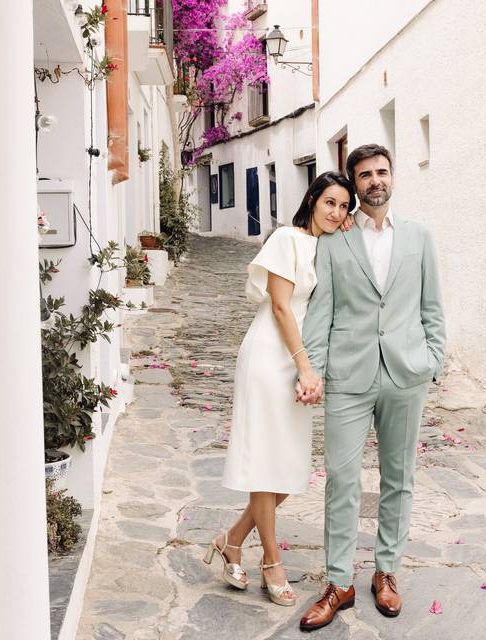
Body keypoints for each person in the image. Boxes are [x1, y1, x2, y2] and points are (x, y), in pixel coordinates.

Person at [297, 144, 446, 631]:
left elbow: (432, 307)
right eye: (365, 175)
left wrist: (432, 361)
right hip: (349, 376)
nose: (375, 181)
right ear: (354, 184)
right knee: (341, 479)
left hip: (405, 374)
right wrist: (312, 370)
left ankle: (386, 572)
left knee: (398, 480)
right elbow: (321, 315)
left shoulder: (419, 237)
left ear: (393, 178)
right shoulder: (334, 243)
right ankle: (339, 582)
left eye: (382, 172)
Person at [204, 172, 356, 607]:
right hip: (272, 356)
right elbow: (279, 306)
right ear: (311, 199)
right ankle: (271, 561)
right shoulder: (286, 239)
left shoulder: (327, 246)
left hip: (301, 360)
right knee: (267, 462)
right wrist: (305, 367)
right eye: (329, 202)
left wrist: (310, 366)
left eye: (344, 206)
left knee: (287, 466)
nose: (336, 212)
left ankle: (231, 540)